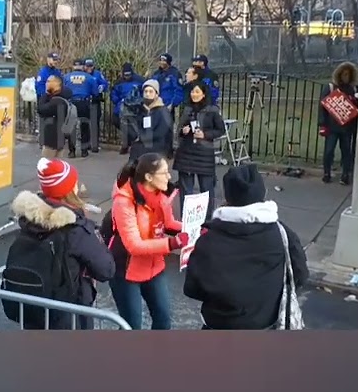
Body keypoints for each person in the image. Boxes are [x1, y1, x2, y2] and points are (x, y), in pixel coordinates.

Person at [183, 164, 309, 330]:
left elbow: (193, 289)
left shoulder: (208, 240)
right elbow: (300, 275)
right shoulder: (282, 234)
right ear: (263, 194)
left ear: (228, 198)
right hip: (265, 329)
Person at [8, 159, 116, 329]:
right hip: (69, 315)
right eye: (74, 183)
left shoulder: (29, 219)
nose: (78, 186)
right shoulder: (75, 229)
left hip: (33, 308)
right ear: (69, 189)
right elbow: (106, 269)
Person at [108, 154, 186, 330]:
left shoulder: (160, 195)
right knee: (131, 325)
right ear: (149, 177)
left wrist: (192, 226)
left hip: (154, 266)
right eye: (164, 173)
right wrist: (172, 244)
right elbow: (134, 245)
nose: (169, 177)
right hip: (126, 271)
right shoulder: (124, 202)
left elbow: (168, 224)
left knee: (163, 319)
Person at [173, 81, 225, 212]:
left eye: (197, 92)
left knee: (206, 189)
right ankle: (187, 217)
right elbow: (179, 128)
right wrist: (183, 131)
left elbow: (220, 130)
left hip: (204, 154)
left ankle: (207, 219)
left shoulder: (212, 110)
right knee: (185, 189)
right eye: (192, 92)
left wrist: (205, 134)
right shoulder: (187, 109)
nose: (193, 94)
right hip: (186, 152)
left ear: (203, 94)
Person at [318, 61, 358, 185]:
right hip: (332, 126)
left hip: (347, 127)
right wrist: (322, 124)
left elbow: (357, 108)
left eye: (348, 75)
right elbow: (322, 106)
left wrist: (356, 100)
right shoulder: (331, 88)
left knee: (346, 151)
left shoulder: (354, 89)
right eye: (344, 74)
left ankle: (346, 174)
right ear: (339, 74)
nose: (346, 77)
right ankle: (327, 172)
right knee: (329, 150)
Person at [125, 79, 173, 163]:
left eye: (151, 91)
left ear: (157, 94)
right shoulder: (140, 109)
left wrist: (142, 138)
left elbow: (162, 132)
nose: (147, 94)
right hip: (139, 149)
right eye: (145, 91)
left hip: (157, 150)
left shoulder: (163, 111)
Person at [109, 62, 144, 155]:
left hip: (136, 107)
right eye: (125, 75)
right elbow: (113, 94)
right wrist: (118, 101)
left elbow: (143, 92)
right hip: (122, 106)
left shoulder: (140, 80)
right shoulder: (119, 82)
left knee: (133, 125)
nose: (127, 76)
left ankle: (129, 144)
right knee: (118, 122)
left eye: (128, 74)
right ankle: (129, 142)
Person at [64, 59, 94, 158]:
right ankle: (84, 150)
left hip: (71, 103)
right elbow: (95, 92)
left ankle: (71, 151)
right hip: (83, 102)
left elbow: (62, 90)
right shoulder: (89, 77)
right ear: (82, 66)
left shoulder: (66, 77)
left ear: (73, 66)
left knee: (71, 127)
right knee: (84, 126)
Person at [37, 75, 71, 158]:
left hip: (51, 139)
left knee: (47, 165)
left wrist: (46, 94)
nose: (46, 84)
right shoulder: (62, 98)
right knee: (58, 166)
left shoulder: (56, 102)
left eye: (49, 82)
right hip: (60, 137)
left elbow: (41, 109)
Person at [83, 58, 108, 153]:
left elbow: (105, 84)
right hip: (85, 101)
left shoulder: (97, 74)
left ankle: (94, 145)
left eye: (91, 66)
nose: (89, 68)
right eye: (87, 66)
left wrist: (101, 88)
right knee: (85, 123)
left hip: (94, 101)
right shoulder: (82, 75)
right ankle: (87, 143)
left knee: (95, 123)